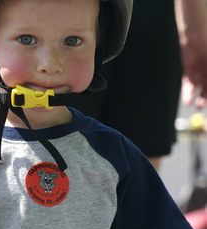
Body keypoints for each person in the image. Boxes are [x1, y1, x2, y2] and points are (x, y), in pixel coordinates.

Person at [0, 0, 196, 229]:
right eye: (27, 39)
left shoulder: (113, 154)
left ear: (98, 47)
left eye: (72, 41)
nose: (50, 65)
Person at [74, 0, 207, 171]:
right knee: (53, 164)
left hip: (148, 14)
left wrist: (194, 26)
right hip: (57, 16)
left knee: (138, 172)